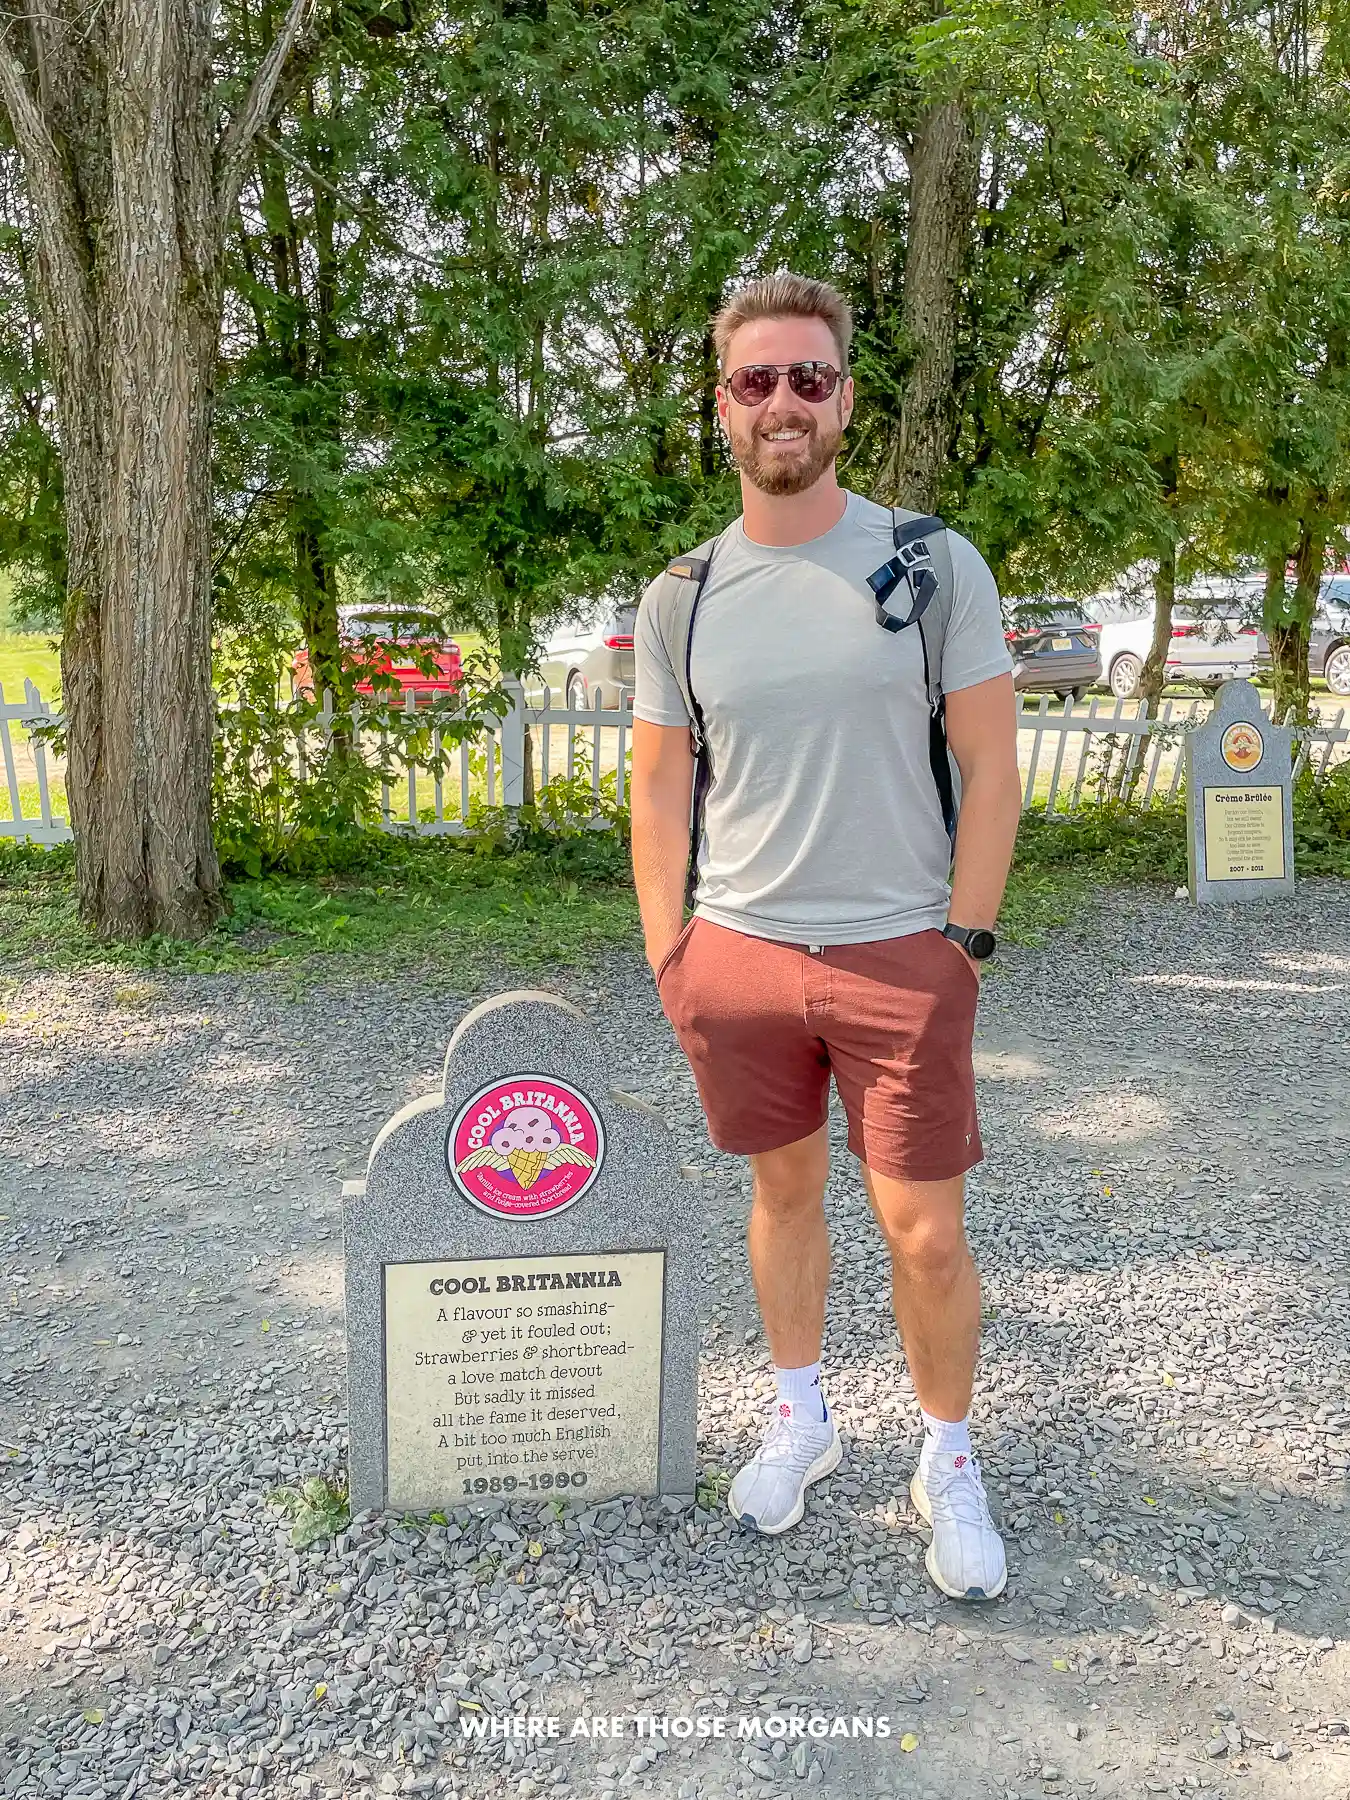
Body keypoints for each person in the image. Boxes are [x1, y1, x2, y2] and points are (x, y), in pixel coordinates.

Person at [629, 272, 1021, 1600]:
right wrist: (669, 955)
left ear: (843, 398)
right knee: (781, 1196)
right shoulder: (681, 595)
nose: (782, 402)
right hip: (736, 956)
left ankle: (948, 1459)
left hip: (899, 954)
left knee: (925, 1236)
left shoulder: (928, 562)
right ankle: (801, 1414)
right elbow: (660, 782)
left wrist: (959, 940)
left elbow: (990, 766)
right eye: (756, 381)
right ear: (721, 408)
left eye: (808, 378)